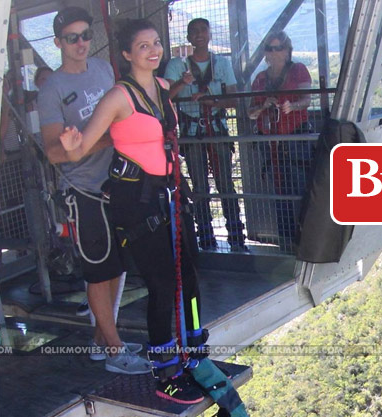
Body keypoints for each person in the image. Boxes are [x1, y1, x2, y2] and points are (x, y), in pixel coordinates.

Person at [58, 20, 248, 414]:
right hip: (137, 202)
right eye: (142, 46)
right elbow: (83, 148)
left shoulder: (162, 88)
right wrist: (72, 145)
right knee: (162, 284)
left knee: (188, 277)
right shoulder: (118, 97)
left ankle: (193, 351)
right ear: (127, 54)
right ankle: (165, 372)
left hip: (169, 194)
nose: (152, 51)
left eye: (156, 43)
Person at [37, 6, 149, 375]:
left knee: (115, 267)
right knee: (99, 270)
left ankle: (104, 340)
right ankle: (114, 350)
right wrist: (96, 141)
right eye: (72, 38)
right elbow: (53, 152)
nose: (81, 43)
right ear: (58, 43)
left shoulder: (103, 70)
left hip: (115, 182)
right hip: (83, 189)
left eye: (86, 35)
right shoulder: (51, 90)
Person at [164, 18, 247, 252]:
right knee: (200, 186)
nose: (199, 35)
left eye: (203, 30)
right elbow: (165, 96)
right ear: (188, 37)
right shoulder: (177, 66)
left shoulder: (222, 64)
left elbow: (233, 99)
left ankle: (236, 237)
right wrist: (183, 82)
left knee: (225, 184)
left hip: (216, 130)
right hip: (193, 133)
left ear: (209, 34)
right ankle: (206, 238)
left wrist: (212, 102)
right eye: (194, 32)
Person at [248, 31, 315, 250]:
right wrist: (263, 106)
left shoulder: (298, 70)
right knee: (280, 191)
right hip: (271, 143)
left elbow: (307, 99)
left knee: (299, 189)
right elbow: (251, 113)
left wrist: (291, 106)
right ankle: (287, 241)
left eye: (278, 48)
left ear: (287, 51)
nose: (274, 53)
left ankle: (305, 241)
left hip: (295, 139)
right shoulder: (261, 79)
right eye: (270, 49)